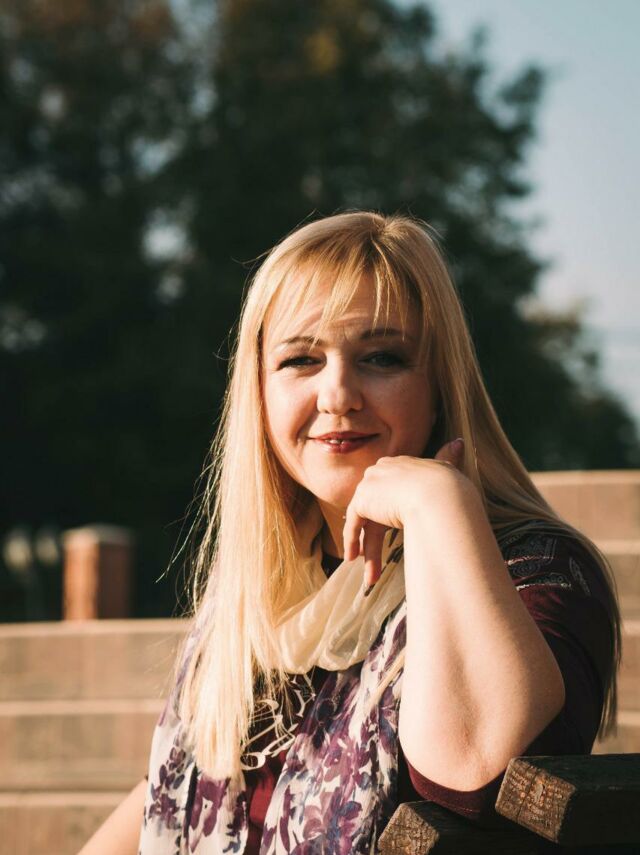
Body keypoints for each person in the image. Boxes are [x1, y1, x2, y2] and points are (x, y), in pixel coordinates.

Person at [79, 211, 621, 855]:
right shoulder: (264, 588)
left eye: (382, 357)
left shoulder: (540, 571)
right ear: (259, 394)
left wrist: (439, 505)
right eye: (301, 359)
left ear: (440, 383)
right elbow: (169, 793)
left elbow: (476, 769)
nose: (337, 394)